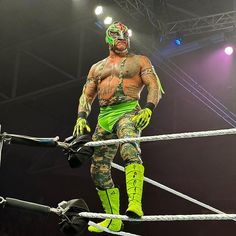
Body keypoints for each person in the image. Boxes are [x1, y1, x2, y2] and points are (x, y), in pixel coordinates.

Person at [73, 21, 164, 233]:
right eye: (117, 36)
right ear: (108, 39)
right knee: (98, 169)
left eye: (125, 36)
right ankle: (113, 218)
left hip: (129, 110)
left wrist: (148, 108)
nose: (122, 39)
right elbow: (87, 94)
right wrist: (81, 117)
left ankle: (135, 204)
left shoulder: (139, 61)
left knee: (129, 147)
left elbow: (154, 86)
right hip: (104, 117)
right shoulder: (97, 67)